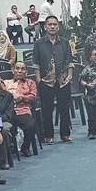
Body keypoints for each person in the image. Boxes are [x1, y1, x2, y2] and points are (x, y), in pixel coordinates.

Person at [34, 16, 74, 144]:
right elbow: (36, 64)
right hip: (46, 81)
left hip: (63, 81)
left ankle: (65, 134)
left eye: (55, 24)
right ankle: (48, 135)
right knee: (47, 109)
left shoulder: (65, 42)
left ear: (58, 26)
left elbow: (70, 61)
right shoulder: (39, 43)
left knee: (64, 109)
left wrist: (69, 76)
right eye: (50, 24)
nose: (52, 26)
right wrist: (39, 80)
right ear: (45, 27)